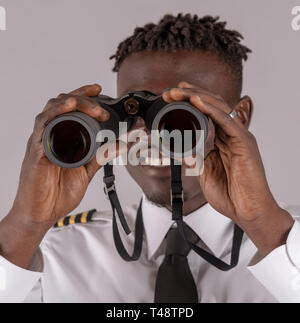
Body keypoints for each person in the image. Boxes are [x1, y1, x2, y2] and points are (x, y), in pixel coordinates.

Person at [0, 13, 299, 303]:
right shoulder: (52, 251)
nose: (151, 136)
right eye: (133, 112)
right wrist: (26, 224)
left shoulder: (287, 245)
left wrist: (265, 225)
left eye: (181, 118)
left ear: (240, 117)